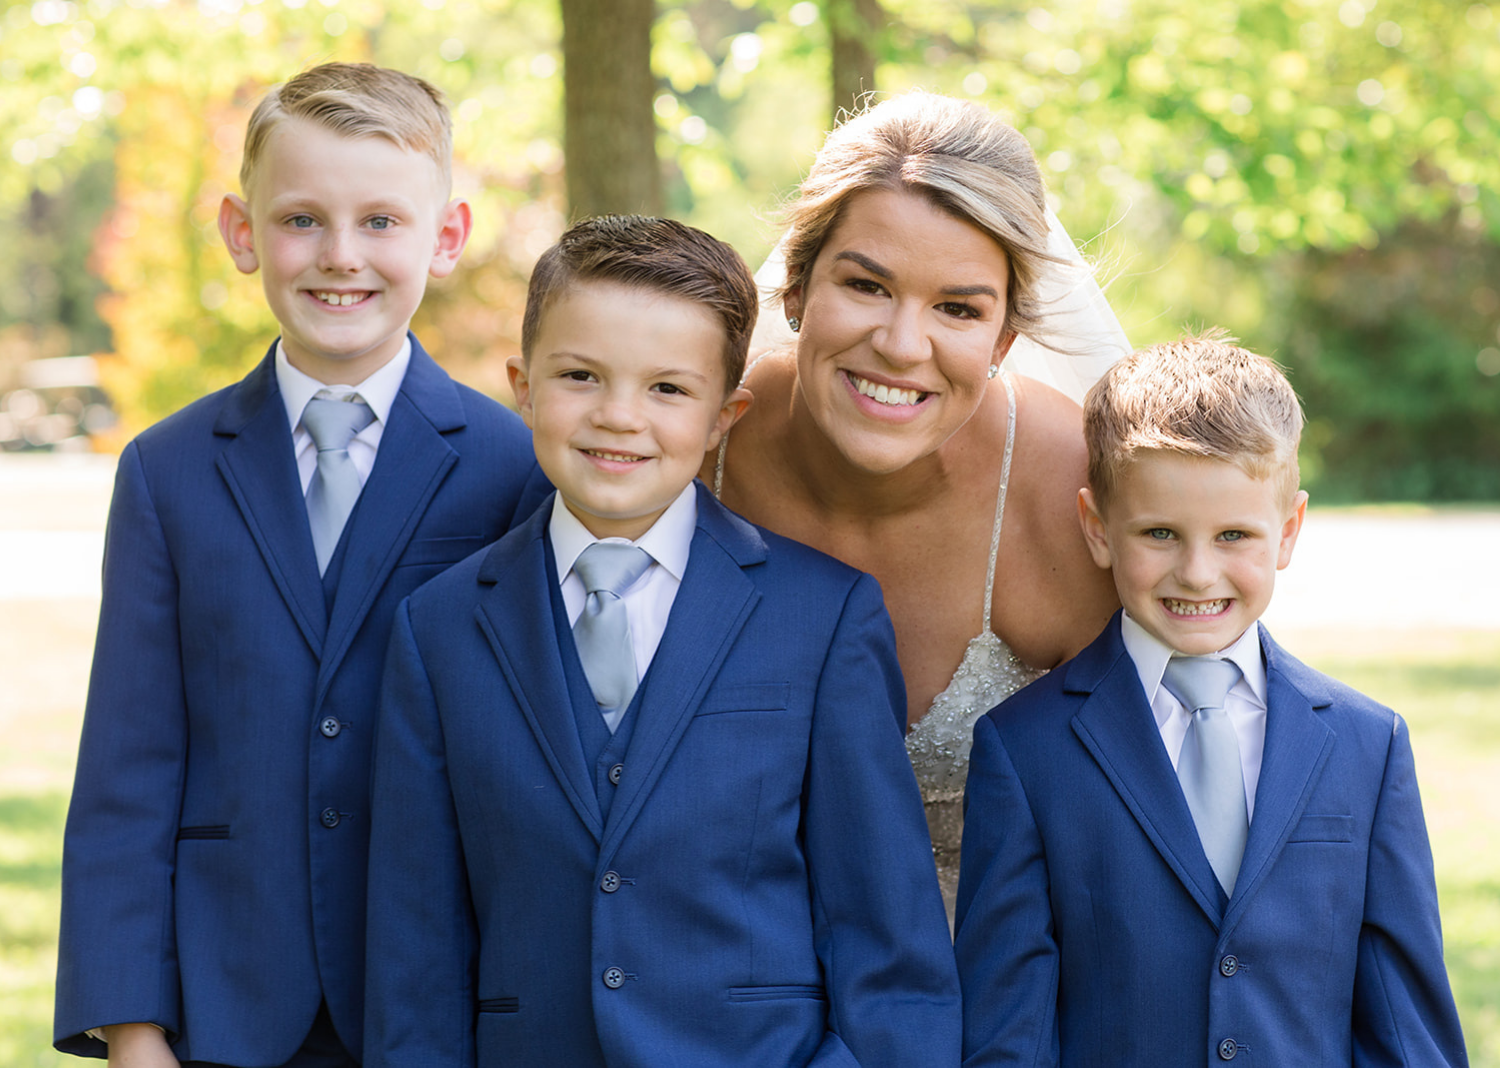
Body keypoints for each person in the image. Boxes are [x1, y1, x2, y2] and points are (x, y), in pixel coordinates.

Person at [363, 215, 959, 1067]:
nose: (618, 418)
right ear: (522, 386)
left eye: (668, 390)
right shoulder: (439, 629)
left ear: (725, 416)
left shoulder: (823, 618)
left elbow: (886, 939)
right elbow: (414, 954)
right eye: (580, 376)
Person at [54, 63, 547, 1067]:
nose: (339, 257)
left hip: (438, 997)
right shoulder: (167, 472)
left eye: (380, 222)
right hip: (221, 1002)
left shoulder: (511, 466)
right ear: (242, 233)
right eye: (301, 221)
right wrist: (132, 1027)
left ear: (444, 239)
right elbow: (128, 768)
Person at [954, 335, 1468, 1065]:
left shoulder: (1367, 744)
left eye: (1234, 535)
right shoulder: (1024, 749)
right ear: (1098, 528)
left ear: (1287, 530)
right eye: (1160, 533)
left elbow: (1405, 1026)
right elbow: (1008, 1027)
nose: (1198, 574)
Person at [706, 91, 1129, 910]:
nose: (902, 346)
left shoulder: (1072, 499)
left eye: (958, 309)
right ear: (795, 288)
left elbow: (1133, 842)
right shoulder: (694, 456)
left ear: (1006, 338)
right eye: (866, 286)